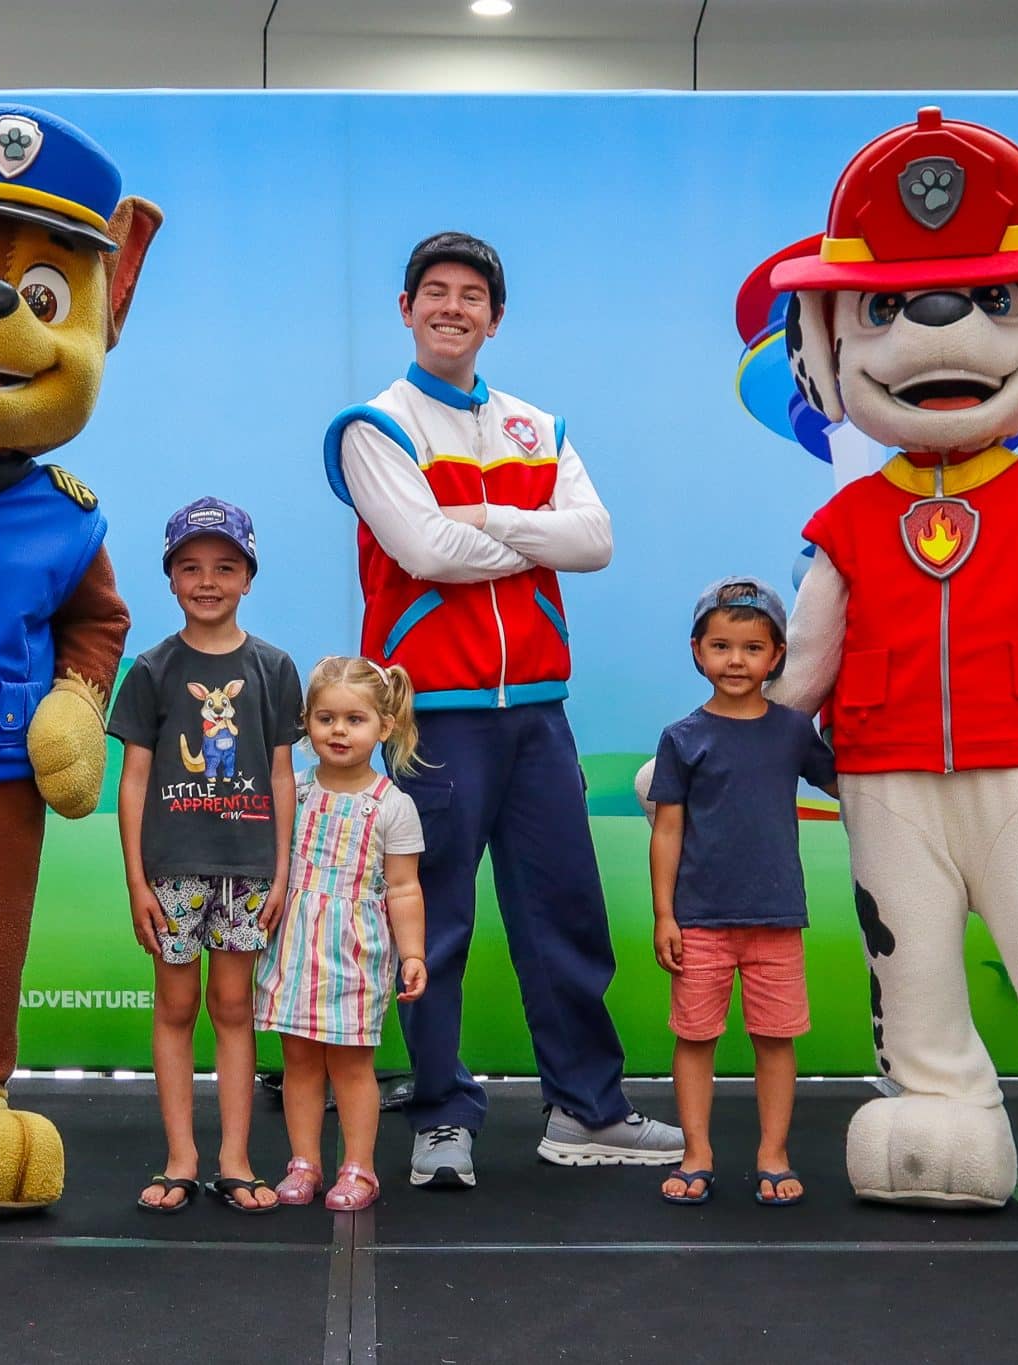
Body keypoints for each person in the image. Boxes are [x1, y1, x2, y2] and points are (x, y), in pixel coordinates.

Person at [322, 231, 683, 1188]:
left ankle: (586, 1108)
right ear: (406, 310)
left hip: (538, 714)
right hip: (432, 716)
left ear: (495, 317)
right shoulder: (373, 426)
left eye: (471, 295)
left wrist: (486, 520)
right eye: (435, 292)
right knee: (432, 923)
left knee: (565, 913)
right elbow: (423, 550)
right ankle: (442, 1116)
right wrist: (532, 539)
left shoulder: (538, 428)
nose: (453, 307)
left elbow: (595, 540)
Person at [110, 498, 302, 1215]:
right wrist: (137, 881)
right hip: (173, 869)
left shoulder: (274, 668)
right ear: (170, 579)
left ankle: (235, 1159)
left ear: (248, 576)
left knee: (232, 1005)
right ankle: (181, 1158)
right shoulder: (152, 670)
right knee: (176, 1004)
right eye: (190, 568)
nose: (208, 581)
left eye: (224, 567)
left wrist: (280, 872)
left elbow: (281, 775)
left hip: (249, 870)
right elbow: (133, 781)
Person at [645, 579, 835, 1207]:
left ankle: (772, 1154)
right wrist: (665, 915)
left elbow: (848, 782)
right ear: (697, 651)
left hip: (776, 921)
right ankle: (696, 1152)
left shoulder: (793, 732)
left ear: (777, 656)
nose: (735, 661)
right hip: (699, 921)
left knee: (775, 1039)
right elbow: (667, 831)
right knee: (695, 1037)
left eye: (752, 648)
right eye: (721, 646)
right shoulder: (682, 737)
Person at [254, 656, 430, 1211]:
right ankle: (304, 1163)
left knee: (352, 1066)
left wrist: (413, 953)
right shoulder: (295, 792)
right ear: (306, 722)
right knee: (300, 1061)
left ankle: (360, 1168)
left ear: (385, 726)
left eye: (355, 720)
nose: (338, 731)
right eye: (326, 718)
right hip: (293, 948)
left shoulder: (393, 805)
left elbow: (404, 888)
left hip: (356, 954)